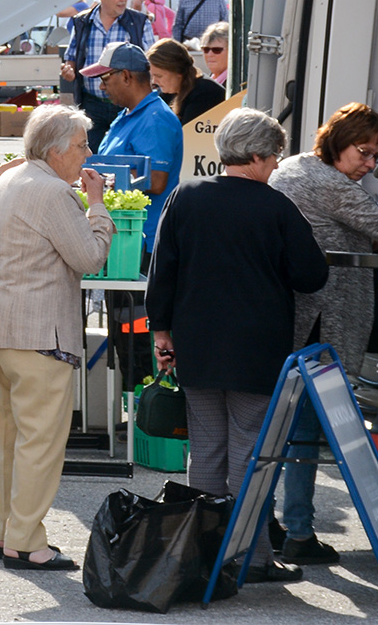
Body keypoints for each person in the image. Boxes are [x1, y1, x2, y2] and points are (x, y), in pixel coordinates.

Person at [147, 107, 326, 586]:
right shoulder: (276, 207)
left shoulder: (186, 197)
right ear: (256, 155)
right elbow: (313, 275)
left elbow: (162, 269)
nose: (275, 165)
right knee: (251, 453)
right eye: (273, 156)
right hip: (256, 351)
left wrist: (162, 331)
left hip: (197, 348)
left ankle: (205, 553)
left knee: (206, 451)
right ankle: (251, 557)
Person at [0, 104, 112, 569]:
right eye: (80, 145)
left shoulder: (8, 182)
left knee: (12, 441)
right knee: (40, 444)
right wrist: (98, 207)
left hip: (0, 331)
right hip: (41, 335)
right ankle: (26, 541)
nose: (86, 153)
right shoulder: (55, 192)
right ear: (55, 151)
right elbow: (90, 257)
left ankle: (8, 533)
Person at [267, 103, 378, 563]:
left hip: (295, 320)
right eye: (364, 152)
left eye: (376, 156)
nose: (370, 164)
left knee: (284, 428)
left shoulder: (296, 166)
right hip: (324, 321)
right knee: (304, 432)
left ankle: (271, 524)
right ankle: (297, 530)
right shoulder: (329, 184)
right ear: (338, 141)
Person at [86, 41, 183, 249]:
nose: (101, 86)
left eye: (105, 78)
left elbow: (156, 181)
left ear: (126, 76)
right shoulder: (126, 115)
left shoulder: (156, 119)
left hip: (144, 242)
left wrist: (102, 179)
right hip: (125, 238)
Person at [60, 0, 156, 147]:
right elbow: (71, 56)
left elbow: (150, 62)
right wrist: (69, 69)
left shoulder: (140, 22)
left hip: (128, 102)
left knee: (127, 154)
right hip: (92, 103)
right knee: (89, 156)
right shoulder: (82, 22)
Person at [148, 38, 224, 124]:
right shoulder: (169, 91)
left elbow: (186, 134)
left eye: (159, 76)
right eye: (152, 76)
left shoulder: (206, 94)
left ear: (178, 71)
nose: (154, 81)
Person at [201, 20, 232, 86]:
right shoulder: (207, 81)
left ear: (231, 51)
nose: (210, 54)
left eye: (217, 50)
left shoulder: (237, 86)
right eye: (206, 49)